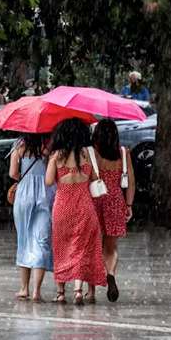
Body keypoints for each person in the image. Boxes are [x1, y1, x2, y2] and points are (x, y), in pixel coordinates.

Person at [45, 118, 107, 305]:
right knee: (81, 248)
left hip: (63, 208)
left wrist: (53, 162)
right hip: (84, 208)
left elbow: (48, 182)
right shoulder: (88, 155)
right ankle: (79, 290)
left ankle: (61, 292)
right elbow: (95, 179)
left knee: (62, 248)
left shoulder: (57, 156)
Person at [90, 119, 135, 303]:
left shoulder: (92, 153)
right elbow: (131, 182)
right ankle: (110, 274)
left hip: (95, 200)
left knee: (93, 246)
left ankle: (90, 290)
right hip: (116, 200)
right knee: (111, 247)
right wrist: (129, 204)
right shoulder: (123, 153)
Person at [9, 133, 56, 303]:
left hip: (24, 195)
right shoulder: (49, 146)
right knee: (42, 241)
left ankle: (24, 288)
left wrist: (26, 177)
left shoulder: (19, 145)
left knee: (24, 239)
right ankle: (37, 290)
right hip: (46, 193)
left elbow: (13, 173)